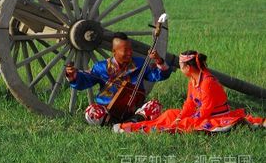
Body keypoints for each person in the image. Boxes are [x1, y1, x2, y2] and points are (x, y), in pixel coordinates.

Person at [113, 50, 265, 133]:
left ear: (189, 67)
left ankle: (137, 129)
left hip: (215, 116)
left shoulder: (208, 82)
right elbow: (190, 103)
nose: (180, 67)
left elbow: (205, 110)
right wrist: (180, 116)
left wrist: (187, 119)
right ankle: (141, 125)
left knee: (183, 124)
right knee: (170, 114)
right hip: (202, 113)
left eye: (181, 65)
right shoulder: (193, 81)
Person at [65, 32, 173, 125]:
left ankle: (130, 123)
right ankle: (115, 124)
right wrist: (73, 76)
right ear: (114, 51)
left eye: (130, 49)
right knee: (91, 111)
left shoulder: (140, 64)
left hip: (134, 110)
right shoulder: (101, 67)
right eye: (125, 50)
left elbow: (160, 75)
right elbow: (85, 81)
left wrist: (159, 60)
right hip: (108, 111)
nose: (130, 53)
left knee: (155, 105)